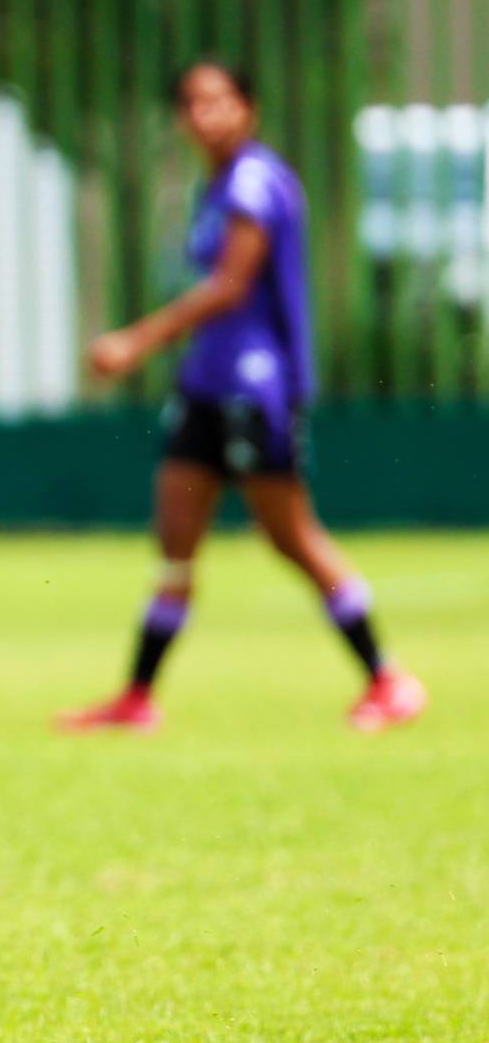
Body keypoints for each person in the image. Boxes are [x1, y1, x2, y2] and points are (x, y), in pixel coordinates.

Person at [60, 61, 426, 734]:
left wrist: (136, 342)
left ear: (249, 110)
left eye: (221, 101)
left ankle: (387, 677)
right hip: (205, 384)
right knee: (175, 534)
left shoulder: (255, 181)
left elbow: (230, 286)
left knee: (291, 537)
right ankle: (138, 696)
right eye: (194, 103)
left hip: (255, 388)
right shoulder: (217, 187)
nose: (207, 113)